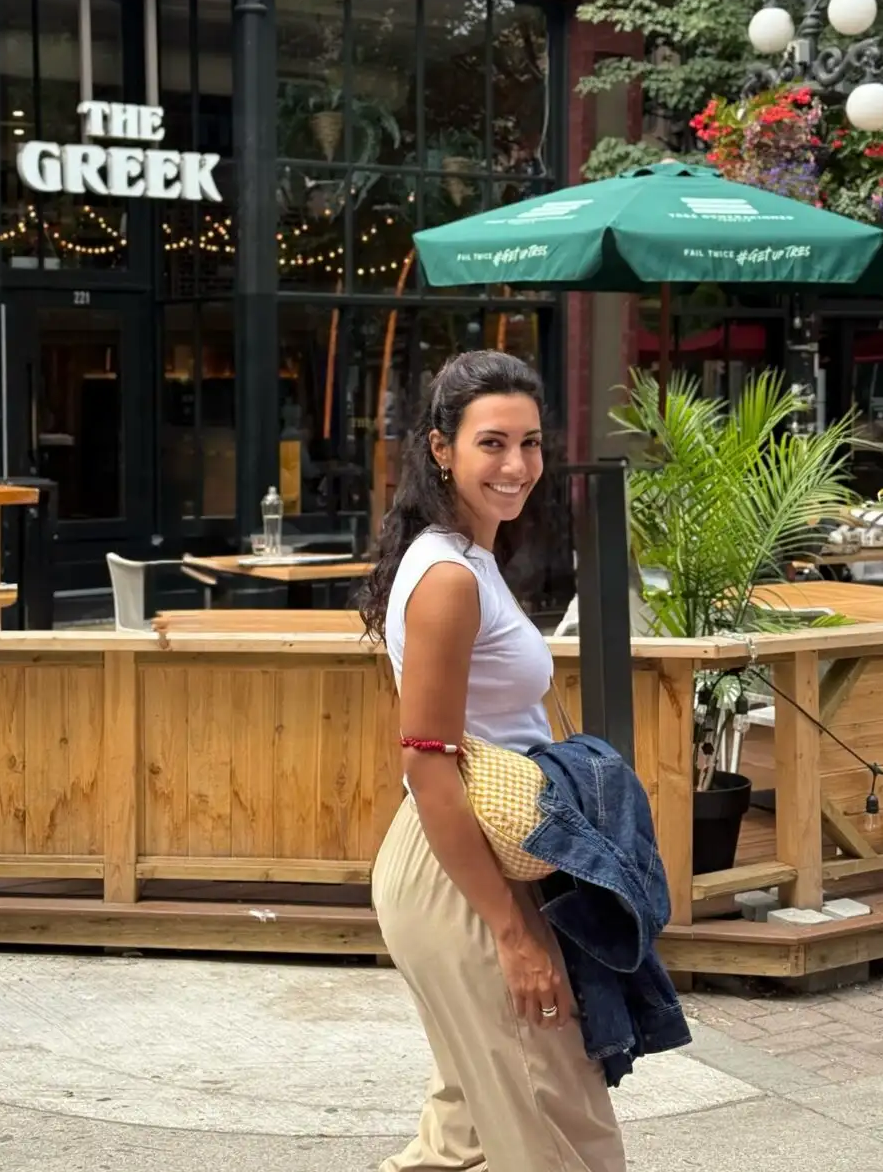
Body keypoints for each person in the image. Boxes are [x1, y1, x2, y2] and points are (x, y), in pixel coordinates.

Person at [361, 350, 625, 1172]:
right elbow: (426, 764)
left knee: (468, 1130)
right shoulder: (448, 578)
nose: (516, 465)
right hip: (463, 870)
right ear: (441, 449)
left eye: (530, 443)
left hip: (467, 854)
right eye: (492, 443)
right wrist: (513, 932)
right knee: (558, 1124)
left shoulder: (468, 558)